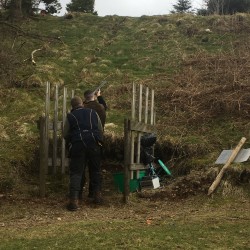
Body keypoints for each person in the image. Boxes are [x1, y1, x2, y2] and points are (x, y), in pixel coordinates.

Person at [63, 96, 103, 211]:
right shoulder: (93, 113)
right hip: (94, 144)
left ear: (72, 106)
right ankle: (97, 196)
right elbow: (100, 129)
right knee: (95, 170)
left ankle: (74, 201)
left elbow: (65, 133)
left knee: (76, 172)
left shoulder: (71, 116)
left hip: (78, 145)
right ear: (82, 104)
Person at [80, 89, 107, 200]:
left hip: (81, 141)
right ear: (94, 96)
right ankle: (95, 193)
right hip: (96, 141)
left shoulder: (82, 108)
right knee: (95, 169)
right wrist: (99, 97)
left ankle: (78, 194)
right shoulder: (100, 108)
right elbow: (105, 106)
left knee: (80, 169)